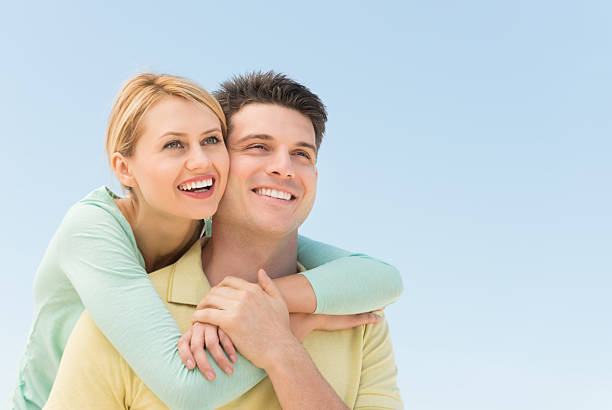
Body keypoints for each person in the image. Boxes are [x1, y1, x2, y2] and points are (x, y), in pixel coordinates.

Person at [10, 73, 403, 410]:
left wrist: (267, 311)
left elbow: (381, 276)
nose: (283, 167)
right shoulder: (99, 256)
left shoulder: (357, 318)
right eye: (257, 146)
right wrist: (286, 333)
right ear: (124, 168)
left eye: (302, 153)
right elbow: (187, 390)